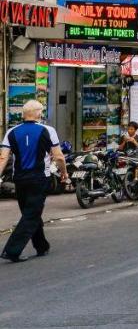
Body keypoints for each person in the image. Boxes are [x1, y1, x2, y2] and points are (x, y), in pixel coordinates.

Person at [1, 100, 70, 263]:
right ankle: (12, 250)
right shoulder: (48, 130)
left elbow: (3, 157)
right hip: (39, 179)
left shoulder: (11, 132)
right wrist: (64, 173)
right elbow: (59, 156)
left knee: (30, 212)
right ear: (39, 113)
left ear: (23, 114)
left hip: (19, 180)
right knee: (31, 214)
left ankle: (42, 246)